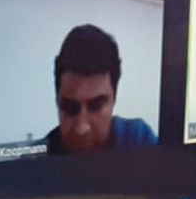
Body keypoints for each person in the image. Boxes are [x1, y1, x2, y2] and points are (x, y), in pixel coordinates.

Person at [45, 25, 157, 153]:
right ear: (57, 101)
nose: (82, 128)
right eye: (70, 108)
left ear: (114, 99)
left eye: (96, 106)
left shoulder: (138, 138)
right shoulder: (38, 156)